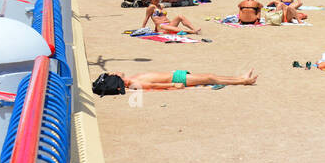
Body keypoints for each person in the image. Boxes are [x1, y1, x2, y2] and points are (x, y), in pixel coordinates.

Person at [104, 68, 257, 91]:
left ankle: (240, 78)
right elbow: (153, 84)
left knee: (210, 76)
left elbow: (119, 72)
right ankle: (243, 81)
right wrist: (173, 85)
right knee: (210, 78)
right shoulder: (133, 83)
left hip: (176, 74)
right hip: (177, 78)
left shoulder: (129, 79)